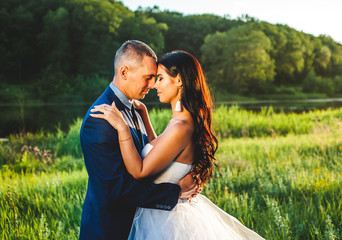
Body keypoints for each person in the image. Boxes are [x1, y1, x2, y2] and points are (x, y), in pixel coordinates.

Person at [91, 50, 265, 239]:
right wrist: (146, 119)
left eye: (160, 78)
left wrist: (123, 129)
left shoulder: (181, 126)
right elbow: (161, 152)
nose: (154, 85)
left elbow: (139, 171)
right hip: (160, 215)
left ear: (179, 80)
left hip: (165, 223)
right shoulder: (179, 120)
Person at [79, 41, 198, 240]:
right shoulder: (100, 119)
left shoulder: (136, 108)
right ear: (124, 72)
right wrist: (175, 192)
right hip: (109, 231)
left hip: (143, 226)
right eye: (148, 77)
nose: (152, 85)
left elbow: (155, 155)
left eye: (156, 78)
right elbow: (118, 188)